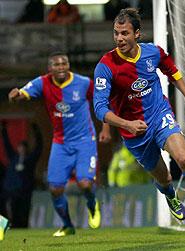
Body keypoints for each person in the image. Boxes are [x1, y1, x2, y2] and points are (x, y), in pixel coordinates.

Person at [93, 8, 185, 238]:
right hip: (134, 132)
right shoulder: (106, 66)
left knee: (184, 158)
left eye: (125, 33)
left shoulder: (153, 52)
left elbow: (172, 72)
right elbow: (99, 108)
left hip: (159, 115)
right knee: (164, 178)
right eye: (116, 33)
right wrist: (127, 124)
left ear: (137, 34)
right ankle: (170, 194)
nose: (120, 38)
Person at [8, 52, 111, 237]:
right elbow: (23, 93)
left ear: (68, 66)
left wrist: (106, 129)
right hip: (60, 143)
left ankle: (92, 204)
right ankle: (67, 225)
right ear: (50, 68)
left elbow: (102, 102)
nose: (61, 67)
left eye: (64, 63)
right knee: (55, 188)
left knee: (85, 184)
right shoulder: (43, 83)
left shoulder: (83, 83)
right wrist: (15, 95)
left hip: (84, 141)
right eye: (57, 64)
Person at [1, 122, 43, 228]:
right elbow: (7, 145)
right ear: (18, 148)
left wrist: (37, 133)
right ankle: (13, 227)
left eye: (24, 148)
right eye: (20, 147)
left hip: (25, 192)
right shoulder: (13, 158)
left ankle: (23, 227)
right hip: (13, 191)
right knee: (13, 211)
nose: (22, 149)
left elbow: (39, 148)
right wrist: (4, 131)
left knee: (24, 212)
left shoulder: (29, 160)